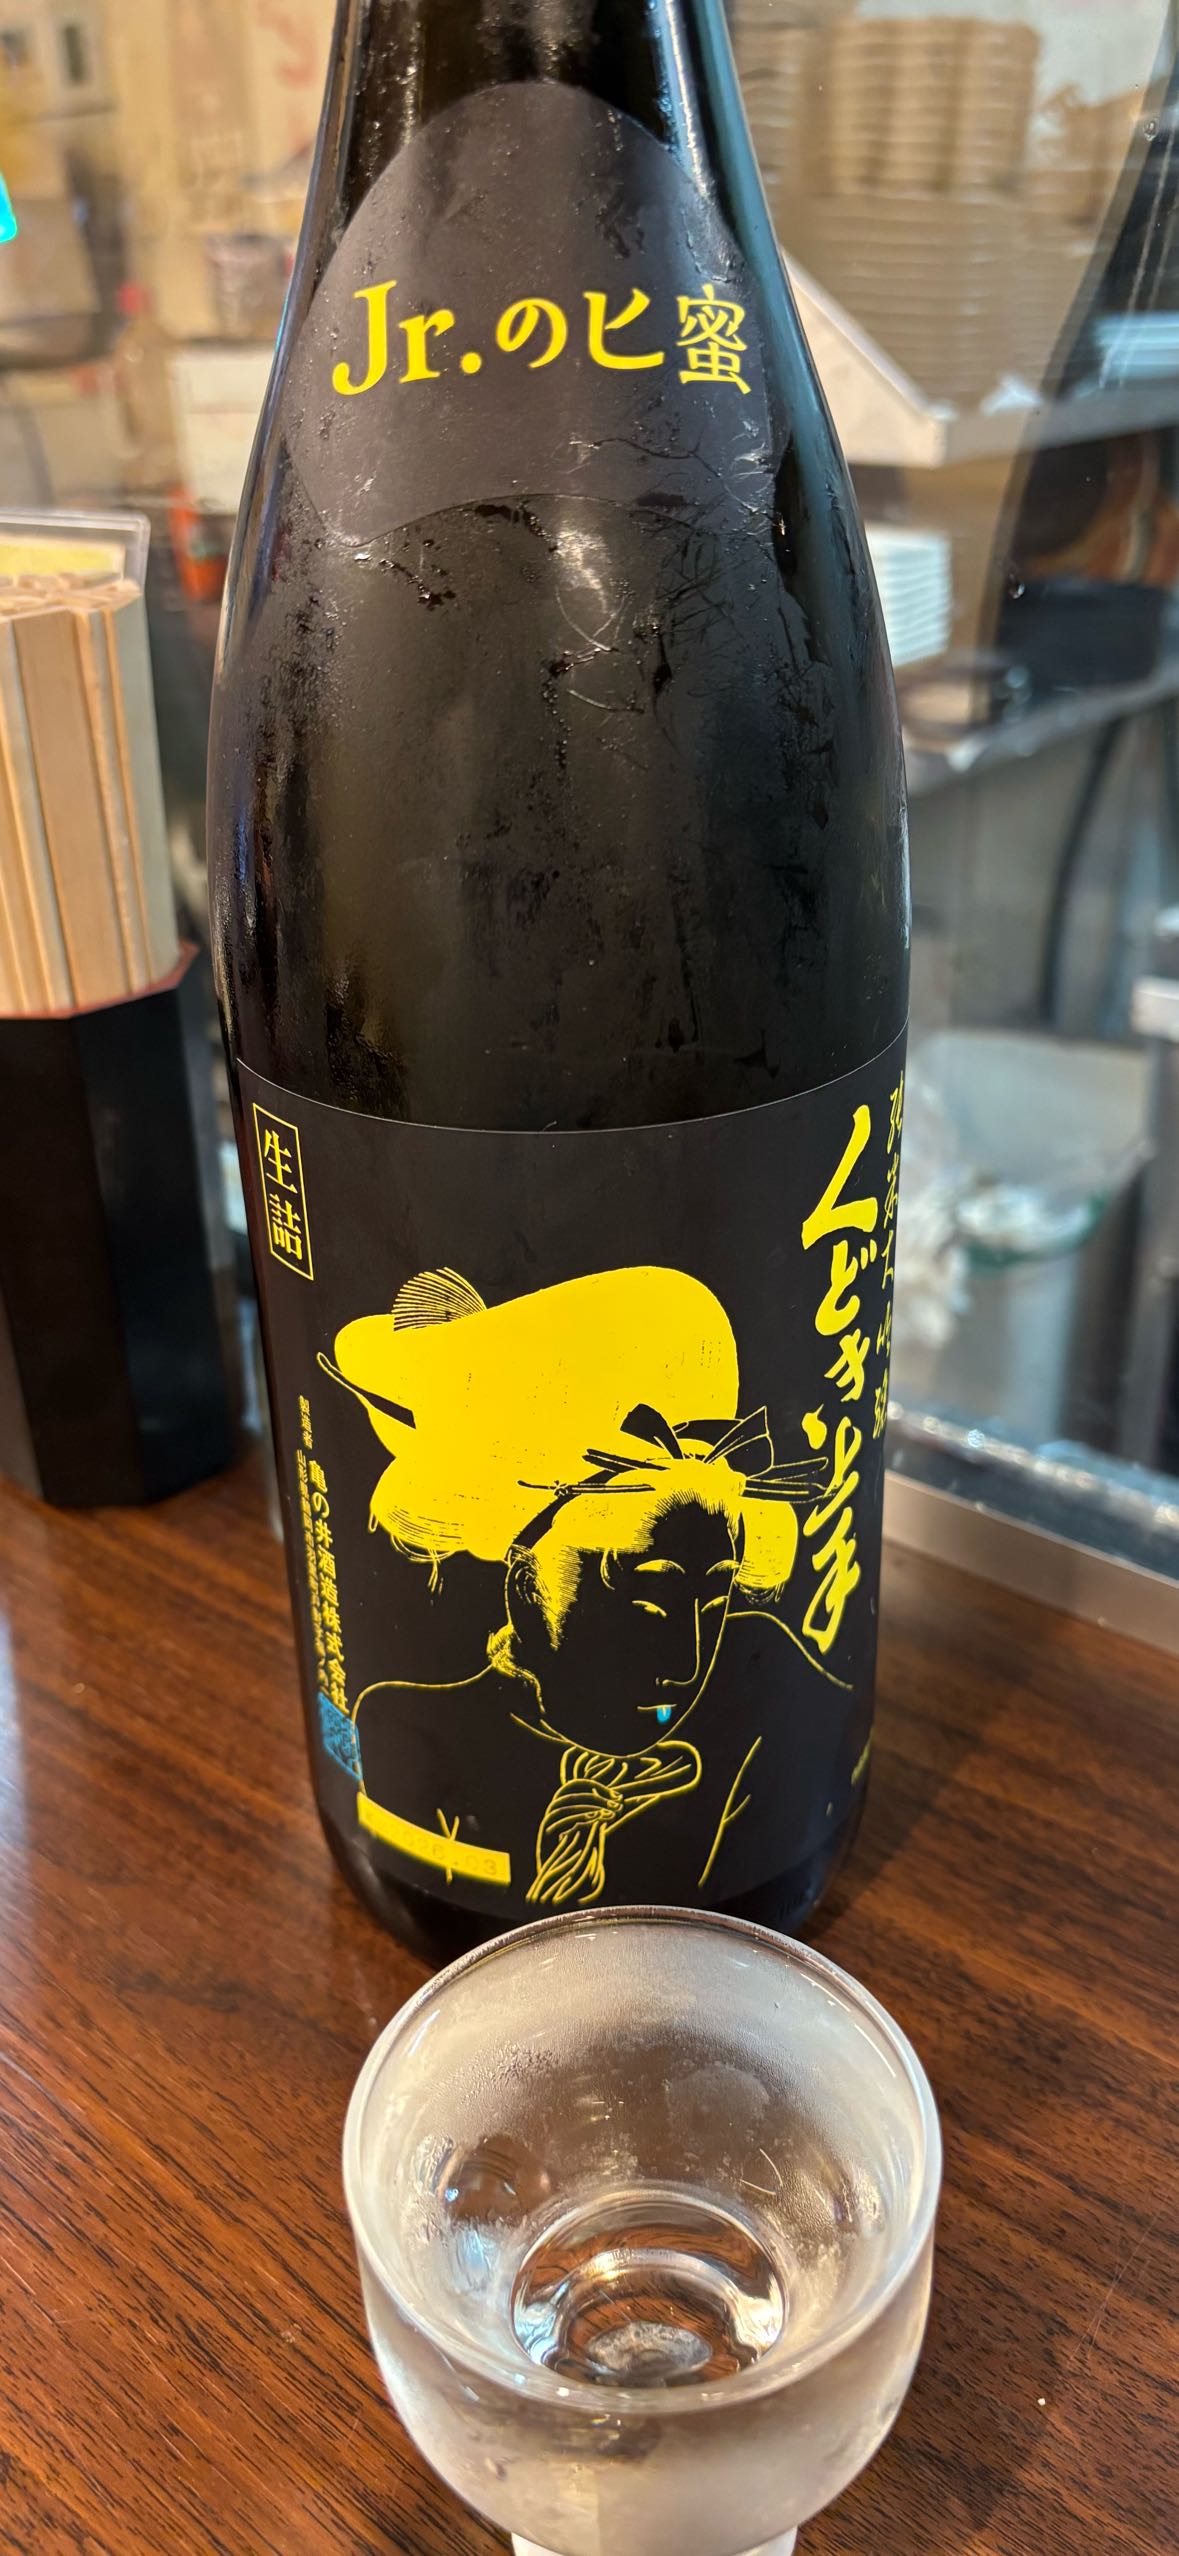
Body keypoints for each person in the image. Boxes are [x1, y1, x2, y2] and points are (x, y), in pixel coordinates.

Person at [323, 1265, 827, 1905]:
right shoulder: (414, 1726)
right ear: (524, 1580)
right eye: (648, 1599)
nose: (686, 1663)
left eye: (714, 1597)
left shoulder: (769, 1696)